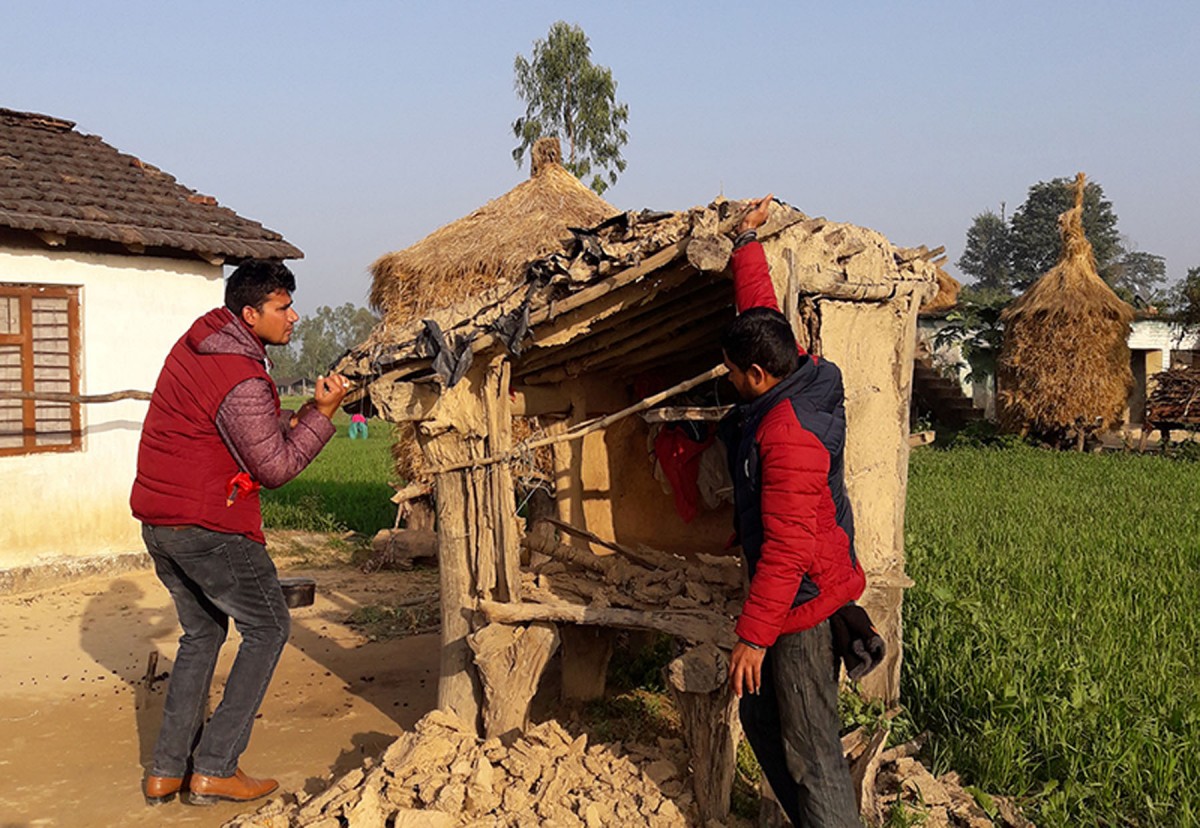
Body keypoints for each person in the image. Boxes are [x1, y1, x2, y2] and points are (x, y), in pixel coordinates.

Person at [130, 259, 349, 806]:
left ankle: (166, 771)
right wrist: (322, 416)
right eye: (282, 307)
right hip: (208, 522)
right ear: (251, 315)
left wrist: (295, 417)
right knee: (269, 626)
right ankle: (215, 768)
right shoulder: (243, 374)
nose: (294, 317)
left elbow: (236, 430)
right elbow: (273, 469)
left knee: (202, 635)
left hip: (161, 519)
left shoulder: (203, 343)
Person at [719, 195, 866, 826]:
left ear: (755, 374)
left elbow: (786, 547)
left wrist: (753, 637)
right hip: (793, 590)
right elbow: (760, 314)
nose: (725, 380)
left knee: (812, 751)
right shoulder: (800, 368)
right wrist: (745, 244)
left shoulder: (788, 435)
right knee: (758, 713)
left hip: (802, 603)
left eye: (730, 372)